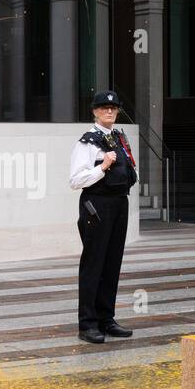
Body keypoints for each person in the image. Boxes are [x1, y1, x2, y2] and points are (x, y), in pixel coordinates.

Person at [69, 90, 138, 344]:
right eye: (104, 108)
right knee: (93, 264)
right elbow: (75, 180)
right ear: (95, 111)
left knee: (111, 264)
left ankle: (106, 319)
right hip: (97, 205)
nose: (109, 111)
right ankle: (87, 324)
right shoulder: (87, 141)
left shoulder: (118, 138)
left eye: (113, 108)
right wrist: (103, 166)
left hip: (119, 203)